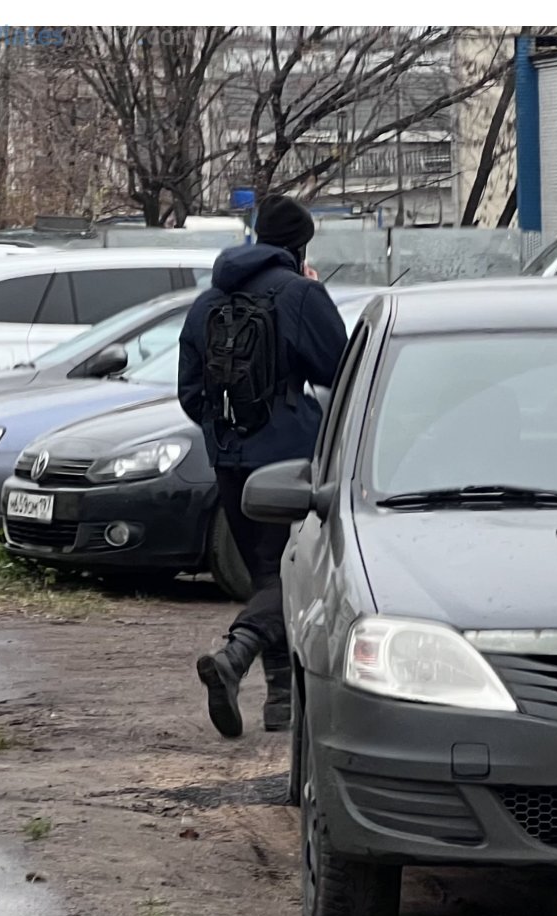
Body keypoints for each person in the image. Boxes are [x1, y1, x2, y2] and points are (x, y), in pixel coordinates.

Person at [177, 195, 349, 739]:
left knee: (266, 575)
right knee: (293, 576)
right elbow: (339, 370)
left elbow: (190, 392)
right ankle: (234, 656)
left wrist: (227, 433)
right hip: (288, 462)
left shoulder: (207, 302)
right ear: (299, 246)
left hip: (229, 460)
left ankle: (280, 702)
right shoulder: (300, 294)